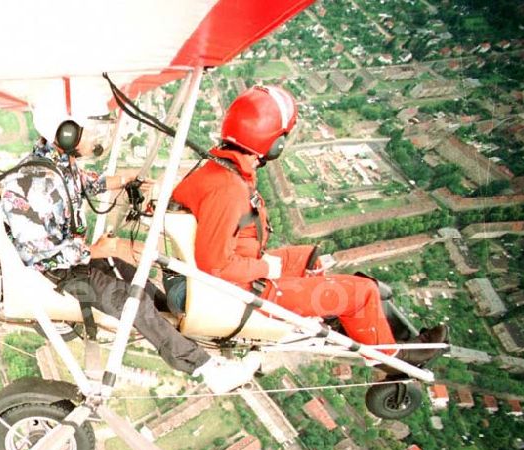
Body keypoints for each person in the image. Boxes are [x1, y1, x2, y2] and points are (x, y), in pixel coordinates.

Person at [171, 85, 447, 367]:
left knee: (309, 258)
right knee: (363, 292)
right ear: (274, 143)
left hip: (240, 271)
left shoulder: (219, 168)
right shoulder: (227, 189)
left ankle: (353, 323)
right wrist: (265, 268)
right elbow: (215, 266)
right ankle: (395, 358)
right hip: (244, 289)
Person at [0, 97, 259, 393]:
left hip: (78, 258)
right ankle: (206, 370)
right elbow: (41, 257)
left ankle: (193, 330)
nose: (94, 138)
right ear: (67, 133)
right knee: (130, 301)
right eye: (89, 131)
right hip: (60, 271)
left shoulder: (57, 164)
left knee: (140, 283)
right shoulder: (31, 183)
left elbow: (87, 183)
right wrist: (103, 250)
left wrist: (126, 179)